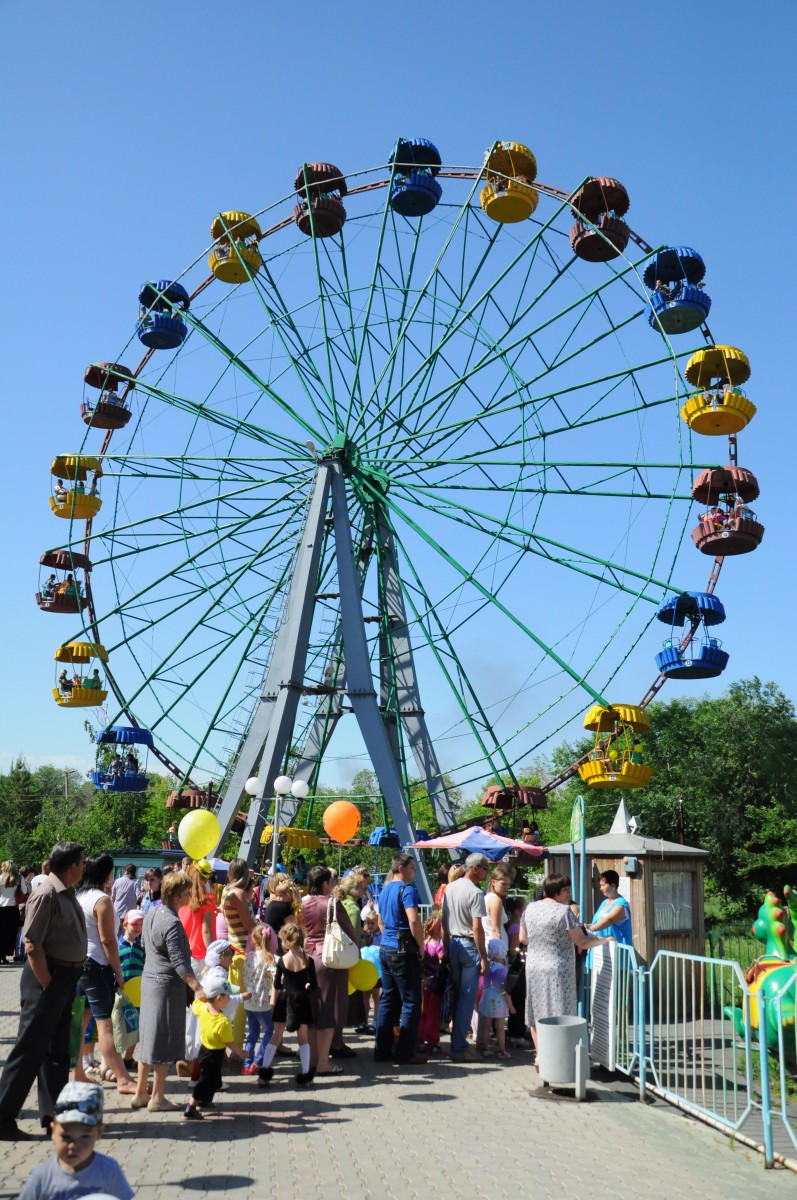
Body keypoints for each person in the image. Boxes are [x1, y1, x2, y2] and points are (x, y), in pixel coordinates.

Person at [0, 841, 86, 1142]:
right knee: (29, 1051)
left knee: (56, 1053)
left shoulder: (66, 891)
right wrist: (49, 985)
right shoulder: (46, 893)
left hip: (62, 979)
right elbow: (32, 944)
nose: (84, 866)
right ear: (72, 865)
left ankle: (52, 1116)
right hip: (47, 979)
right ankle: (3, 1117)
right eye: (82, 862)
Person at [132, 871, 207, 1113]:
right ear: (175, 895)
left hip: (149, 981)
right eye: (185, 894)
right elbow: (179, 962)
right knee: (162, 1043)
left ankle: (141, 1092)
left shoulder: (153, 911)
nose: (188, 898)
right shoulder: (173, 922)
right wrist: (196, 986)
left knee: (148, 1040)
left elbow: (144, 944)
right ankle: (157, 1097)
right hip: (166, 987)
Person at [520, 873, 607, 1056]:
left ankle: (540, 1055)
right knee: (560, 1011)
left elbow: (523, 938)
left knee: (537, 1010)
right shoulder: (563, 912)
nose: (568, 894)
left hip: (534, 966)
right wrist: (604, 940)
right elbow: (581, 942)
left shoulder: (530, 908)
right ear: (556, 891)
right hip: (559, 969)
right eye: (565, 890)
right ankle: (558, 1056)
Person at [73, 854, 137, 1095]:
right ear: (106, 874)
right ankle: (122, 1079)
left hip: (78, 963)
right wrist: (118, 973)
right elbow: (108, 940)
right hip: (97, 965)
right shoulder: (102, 900)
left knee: (80, 1023)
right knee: (105, 1025)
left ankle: (78, 1074)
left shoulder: (78, 897)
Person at [18, 1081, 133, 1199]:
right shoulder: (42, 1177)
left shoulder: (109, 1171)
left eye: (85, 1137)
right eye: (66, 1137)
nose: (73, 1146)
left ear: (99, 1132)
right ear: (53, 1131)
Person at [301, 865, 358, 1076]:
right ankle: (324, 1061)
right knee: (328, 1013)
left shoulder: (304, 903)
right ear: (325, 883)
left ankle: (315, 1058)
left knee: (315, 1011)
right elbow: (348, 929)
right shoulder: (332, 903)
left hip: (310, 957)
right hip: (330, 958)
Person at [374, 853, 426, 1066]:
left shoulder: (385, 889)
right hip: (403, 950)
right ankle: (405, 1052)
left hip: (385, 949)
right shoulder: (407, 890)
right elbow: (414, 920)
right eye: (412, 867)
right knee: (412, 1001)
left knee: (388, 999)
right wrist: (421, 945)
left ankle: (381, 1049)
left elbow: (380, 921)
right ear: (402, 868)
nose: (414, 871)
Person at [442, 852, 490, 1061]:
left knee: (457, 996)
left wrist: (445, 947)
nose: (487, 872)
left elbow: (444, 920)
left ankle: (457, 1043)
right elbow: (477, 928)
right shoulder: (475, 893)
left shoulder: (450, 887)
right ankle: (459, 1047)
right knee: (466, 999)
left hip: (453, 943)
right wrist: (484, 957)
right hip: (468, 946)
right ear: (475, 868)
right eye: (485, 868)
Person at [258, 922, 317, 1088]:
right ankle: (306, 1074)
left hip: (285, 1000)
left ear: (286, 941)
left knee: (276, 1036)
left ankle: (264, 1073)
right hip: (302, 1000)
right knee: (303, 1039)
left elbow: (277, 985)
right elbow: (314, 985)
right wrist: (306, 986)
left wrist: (273, 1002)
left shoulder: (283, 960)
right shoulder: (309, 961)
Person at [183, 976, 244, 1120]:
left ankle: (205, 1100)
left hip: (205, 1051)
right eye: (228, 996)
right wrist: (240, 1052)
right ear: (219, 998)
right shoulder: (223, 1022)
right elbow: (229, 1042)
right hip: (213, 1055)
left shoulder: (203, 1009)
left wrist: (203, 995)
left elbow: (197, 1002)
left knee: (215, 1079)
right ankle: (191, 1107)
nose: (230, 998)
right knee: (205, 1081)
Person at [242, 923, 277, 1074]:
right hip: (263, 1003)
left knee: (252, 1035)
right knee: (270, 1030)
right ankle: (258, 1060)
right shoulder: (269, 958)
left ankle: (246, 1063)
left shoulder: (248, 957)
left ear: (253, 940)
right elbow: (277, 977)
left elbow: (244, 974)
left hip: (249, 1002)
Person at [178, 861, 217, 974]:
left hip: (181, 953)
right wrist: (214, 956)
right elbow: (206, 931)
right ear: (205, 880)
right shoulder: (207, 900)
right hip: (200, 957)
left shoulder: (180, 897)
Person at [478, 937, 514, 1059]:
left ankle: (486, 1048)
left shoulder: (486, 966)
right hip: (500, 1002)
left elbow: (481, 983)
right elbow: (505, 991)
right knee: (500, 1027)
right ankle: (502, 1051)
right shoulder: (504, 970)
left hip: (486, 998)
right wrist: (511, 1006)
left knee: (486, 1025)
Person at [416, 912, 445, 1055]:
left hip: (423, 982)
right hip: (434, 983)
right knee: (433, 1014)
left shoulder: (423, 944)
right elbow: (442, 964)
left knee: (423, 1012)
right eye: (440, 928)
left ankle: (420, 1039)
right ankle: (431, 1041)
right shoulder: (438, 947)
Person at [221, 857, 257, 955]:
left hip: (233, 942)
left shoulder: (226, 889)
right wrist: (264, 928)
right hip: (242, 946)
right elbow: (248, 925)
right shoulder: (238, 893)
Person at [588, 870, 633, 945]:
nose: (600, 888)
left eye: (603, 885)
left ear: (613, 886)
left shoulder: (621, 904)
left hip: (617, 951)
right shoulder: (604, 902)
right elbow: (598, 922)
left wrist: (590, 929)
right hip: (601, 950)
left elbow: (609, 920)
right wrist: (586, 926)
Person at [0, 861, 21, 964]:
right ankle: (4, 955)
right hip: (13, 909)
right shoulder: (18, 879)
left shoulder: (0, 878)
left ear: (5, 868)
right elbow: (25, 891)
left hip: (1, 908)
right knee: (10, 933)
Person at [110, 865, 139, 930]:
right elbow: (138, 896)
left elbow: (112, 896)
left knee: (116, 933)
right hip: (130, 914)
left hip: (117, 911)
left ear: (125, 871)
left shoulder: (117, 881)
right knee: (127, 934)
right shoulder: (136, 882)